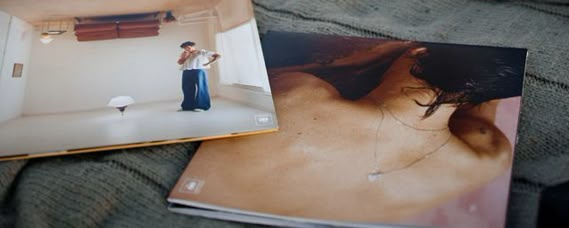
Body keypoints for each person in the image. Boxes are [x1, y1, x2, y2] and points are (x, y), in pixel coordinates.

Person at [192, 37, 519, 223]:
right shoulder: (488, 158)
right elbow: (485, 87)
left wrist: (365, 57)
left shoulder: (299, 97)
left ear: (416, 49)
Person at [177, 41, 221, 111]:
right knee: (187, 89)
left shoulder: (201, 52)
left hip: (199, 70)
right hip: (186, 71)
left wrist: (209, 63)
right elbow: (180, 62)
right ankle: (187, 106)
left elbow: (218, 55)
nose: (187, 49)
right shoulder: (185, 53)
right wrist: (185, 56)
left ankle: (202, 106)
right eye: (185, 48)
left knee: (201, 88)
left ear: (193, 46)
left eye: (188, 47)